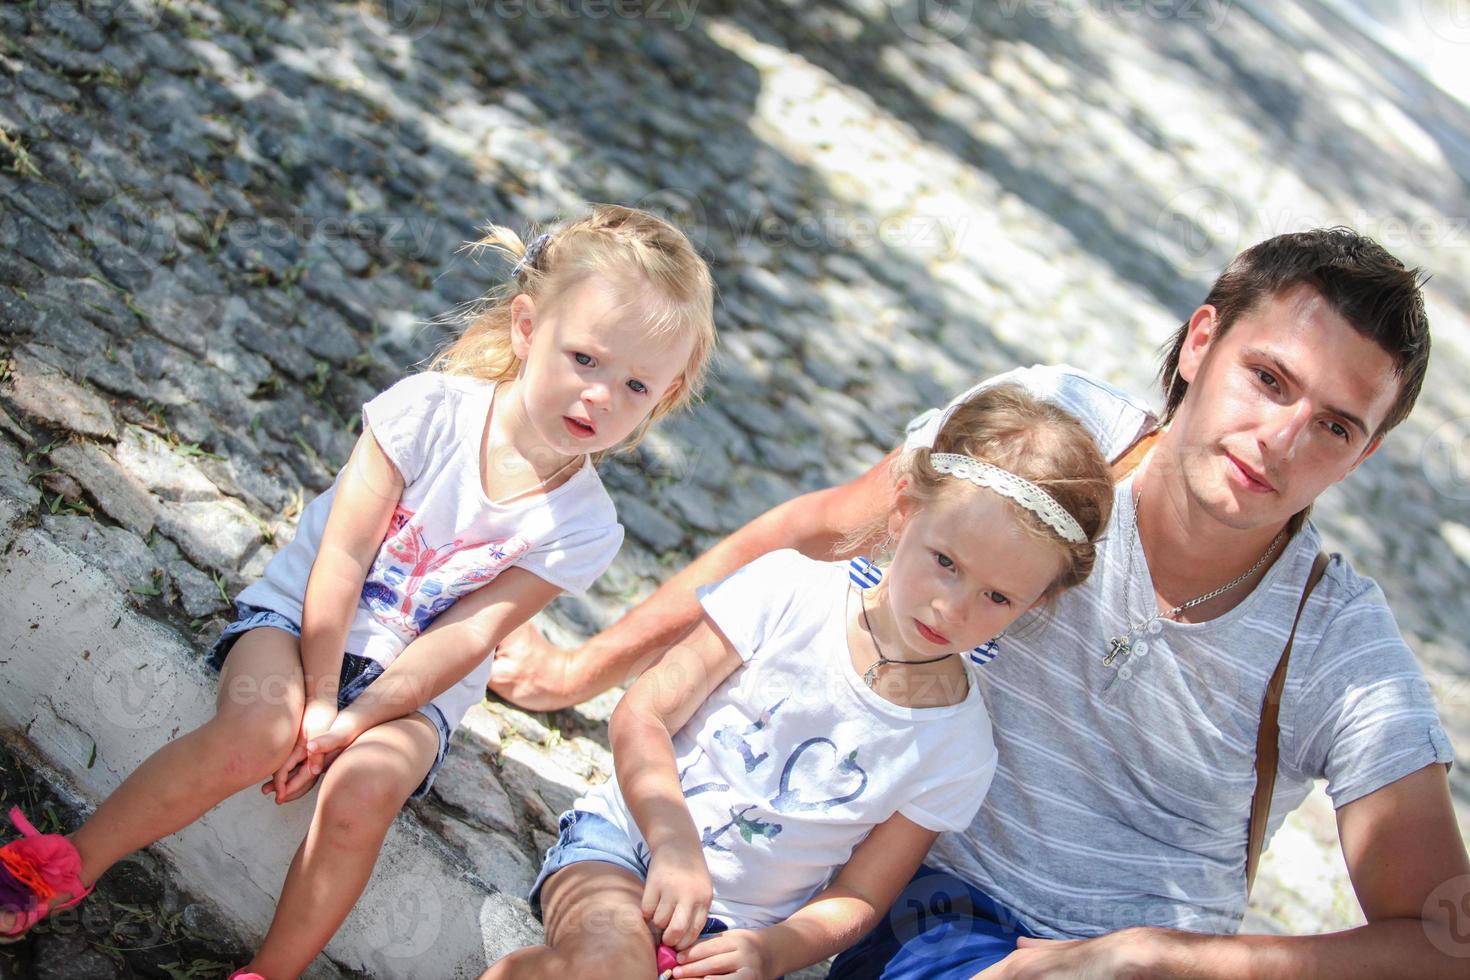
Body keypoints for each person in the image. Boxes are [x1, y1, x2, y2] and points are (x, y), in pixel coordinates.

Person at [489, 228, 1470, 976]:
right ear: (1201, 342)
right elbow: (823, 532)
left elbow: (1442, 932)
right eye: (1269, 378)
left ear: (1364, 453)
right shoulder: (1056, 433)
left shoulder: (1338, 641)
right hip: (947, 909)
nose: (1283, 438)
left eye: (1335, 424)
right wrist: (583, 667)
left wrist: (1155, 954)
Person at [0, 205, 717, 978]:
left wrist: (360, 719)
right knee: (257, 733)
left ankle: (270, 971)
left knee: (364, 793)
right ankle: (62, 866)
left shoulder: (585, 526)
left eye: (636, 384)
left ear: (664, 397)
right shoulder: (427, 413)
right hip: (303, 622)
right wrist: (315, 698)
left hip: (417, 693)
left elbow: (469, 636)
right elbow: (341, 557)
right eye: (584, 358)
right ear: (525, 327)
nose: (601, 396)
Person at [482, 384, 1115, 980]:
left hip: (736, 932)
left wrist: (771, 949)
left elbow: (860, 895)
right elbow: (643, 713)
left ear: (1033, 605)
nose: (953, 607)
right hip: (626, 847)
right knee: (611, 963)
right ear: (902, 514)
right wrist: (671, 841)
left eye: (998, 596)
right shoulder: (788, 590)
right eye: (945, 562)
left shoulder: (959, 748)